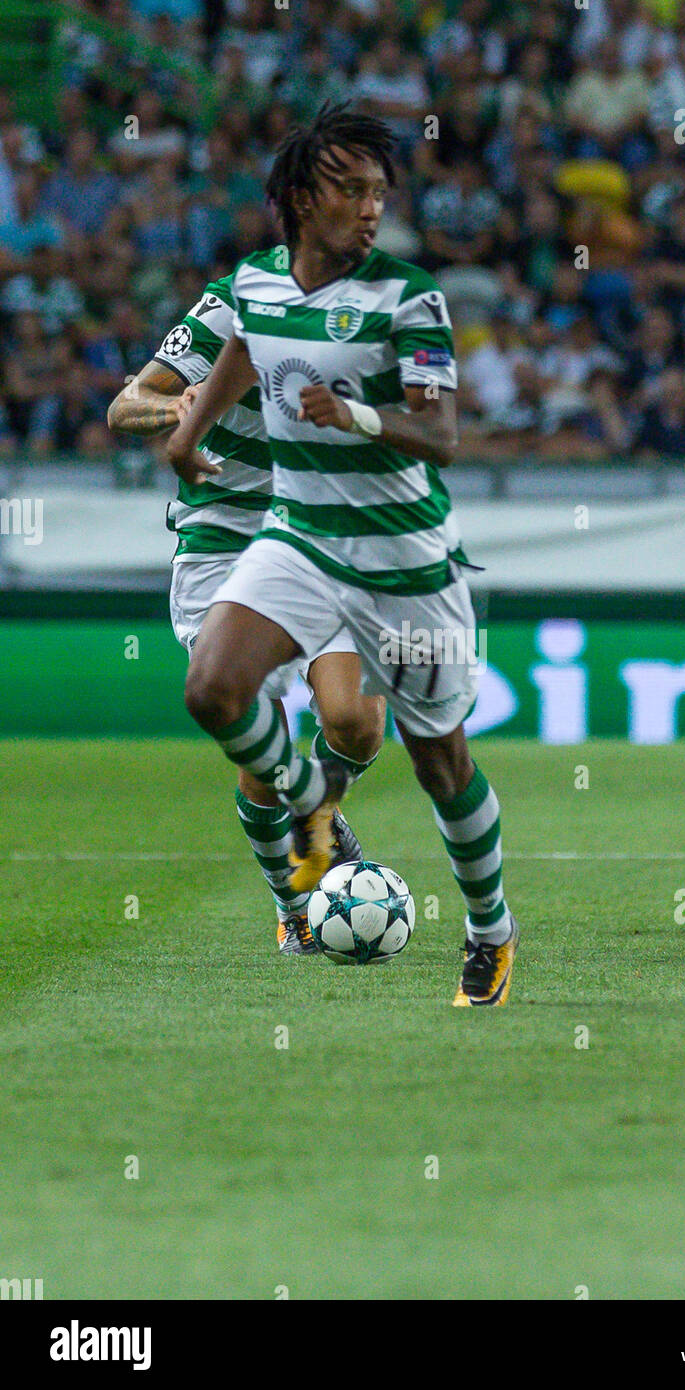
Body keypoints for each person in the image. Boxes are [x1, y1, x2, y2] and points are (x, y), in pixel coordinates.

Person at [165, 103, 518, 1007]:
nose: (371, 209)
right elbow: (244, 346)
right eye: (350, 190)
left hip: (405, 557)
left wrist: (354, 412)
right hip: (301, 536)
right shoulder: (256, 282)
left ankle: (490, 930)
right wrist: (188, 433)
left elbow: (441, 433)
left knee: (441, 763)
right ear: (297, 197)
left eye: (378, 193)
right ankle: (307, 798)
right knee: (213, 687)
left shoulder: (409, 298)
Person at [107, 274, 385, 958]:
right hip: (224, 542)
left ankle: (314, 813)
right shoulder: (226, 307)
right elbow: (125, 407)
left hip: (318, 540)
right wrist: (177, 413)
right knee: (262, 739)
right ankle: (293, 904)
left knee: (356, 722)